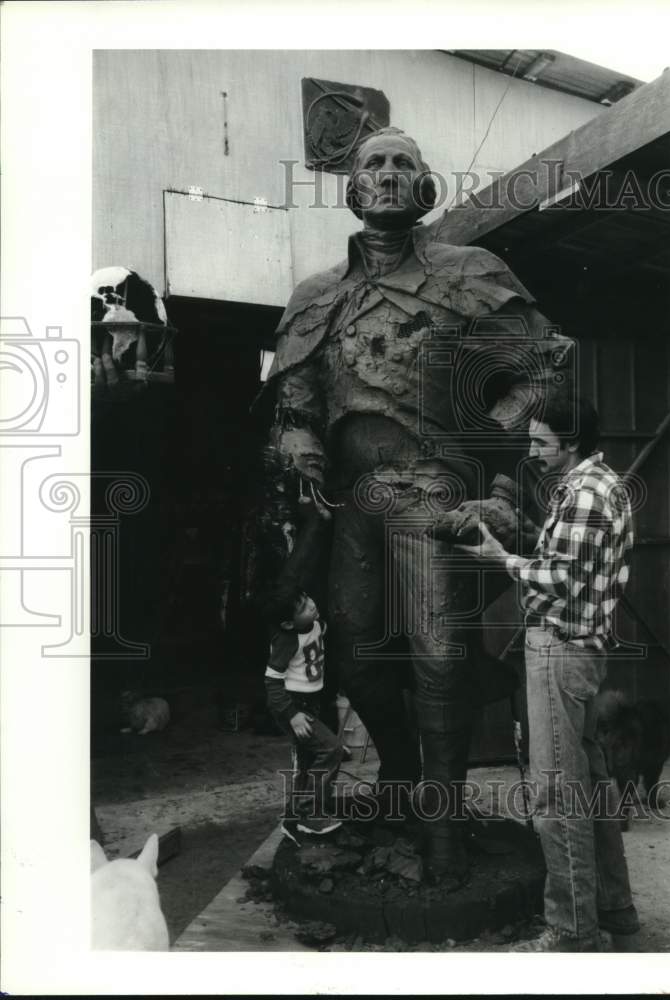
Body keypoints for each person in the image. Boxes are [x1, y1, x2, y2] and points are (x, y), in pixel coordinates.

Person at [255, 125, 568, 878]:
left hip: (428, 484)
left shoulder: (469, 270)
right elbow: (294, 398)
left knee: (437, 658)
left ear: (424, 185)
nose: (388, 174)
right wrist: (297, 437)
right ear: (353, 187)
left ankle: (442, 830)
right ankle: (402, 777)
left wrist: (485, 439)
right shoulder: (316, 293)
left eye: (403, 163)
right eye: (373, 164)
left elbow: (544, 363)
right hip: (346, 499)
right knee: (357, 659)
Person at [456, 392, 640, 951]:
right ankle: (614, 907)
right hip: (580, 650)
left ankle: (572, 929)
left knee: (556, 792)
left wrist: (500, 560)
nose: (533, 450)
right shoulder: (599, 485)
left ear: (572, 442)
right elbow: (569, 561)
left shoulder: (584, 494)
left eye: (541, 442)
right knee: (592, 782)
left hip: (561, 651)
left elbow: (559, 577)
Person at [264, 585, 344, 839]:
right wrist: (292, 714)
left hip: (311, 703)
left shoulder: (316, 624)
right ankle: (311, 813)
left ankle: (293, 819)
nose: (310, 604)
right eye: (302, 608)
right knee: (331, 750)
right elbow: (272, 682)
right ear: (288, 624)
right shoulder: (286, 640)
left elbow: (320, 633)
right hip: (294, 706)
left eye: (307, 598)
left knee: (307, 759)